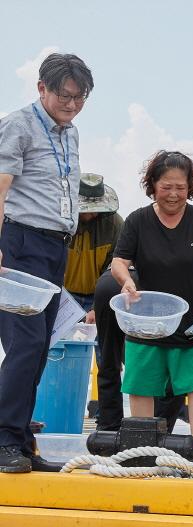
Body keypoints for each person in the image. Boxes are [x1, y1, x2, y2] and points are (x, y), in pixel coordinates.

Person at [0, 53, 94, 473]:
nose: (71, 104)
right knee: (26, 344)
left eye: (80, 97)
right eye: (64, 95)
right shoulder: (17, 125)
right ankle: (4, 437)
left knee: (42, 345)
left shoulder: (70, 133)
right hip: (21, 240)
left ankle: (20, 437)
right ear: (42, 88)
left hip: (56, 245)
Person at [111, 150, 193, 464]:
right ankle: (143, 450)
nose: (174, 194)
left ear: (191, 187)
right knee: (141, 384)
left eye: (181, 187)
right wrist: (126, 280)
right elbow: (119, 261)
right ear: (152, 185)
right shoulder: (137, 220)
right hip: (146, 322)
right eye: (166, 187)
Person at [92, 267, 188, 432]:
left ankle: (108, 426)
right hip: (148, 285)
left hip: (109, 281)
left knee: (108, 361)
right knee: (168, 357)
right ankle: (158, 429)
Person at [65, 173, 123, 320]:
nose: (94, 214)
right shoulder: (59, 221)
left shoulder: (115, 225)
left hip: (99, 296)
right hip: (63, 296)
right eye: (88, 209)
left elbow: (114, 270)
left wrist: (97, 306)